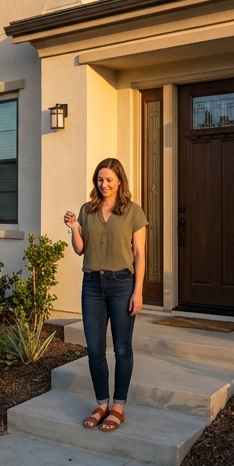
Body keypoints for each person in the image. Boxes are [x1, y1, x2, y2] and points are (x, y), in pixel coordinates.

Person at [63, 157, 147, 432]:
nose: (104, 184)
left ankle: (118, 407)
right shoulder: (87, 210)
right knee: (95, 349)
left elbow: (139, 255)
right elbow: (79, 249)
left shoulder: (134, 212)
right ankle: (101, 404)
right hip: (92, 286)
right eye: (100, 179)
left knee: (122, 349)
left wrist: (138, 291)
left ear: (119, 180)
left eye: (109, 179)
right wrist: (74, 228)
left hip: (123, 284)